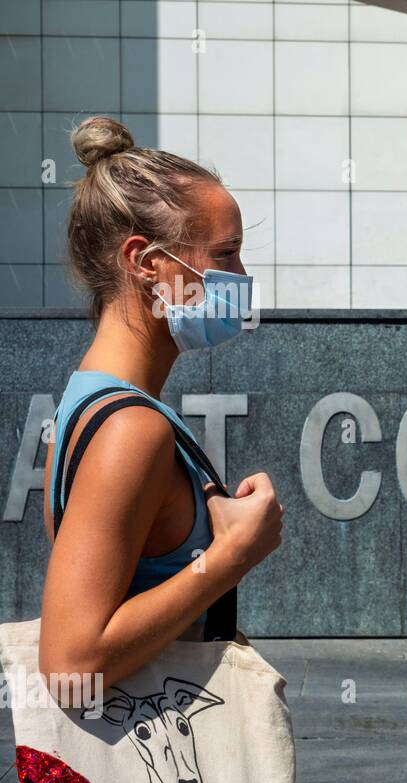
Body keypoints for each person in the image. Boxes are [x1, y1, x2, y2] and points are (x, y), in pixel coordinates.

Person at [39, 116, 282, 693]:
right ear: (147, 263)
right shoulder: (131, 430)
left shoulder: (87, 400)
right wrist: (232, 556)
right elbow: (71, 668)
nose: (242, 278)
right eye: (226, 255)